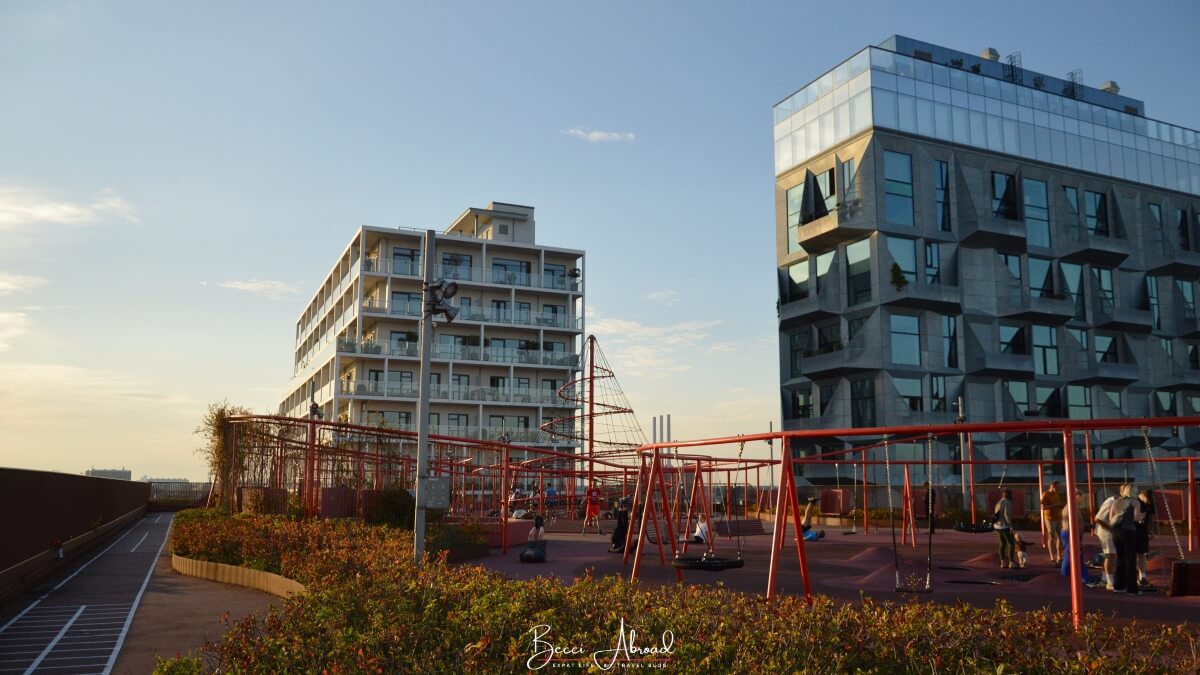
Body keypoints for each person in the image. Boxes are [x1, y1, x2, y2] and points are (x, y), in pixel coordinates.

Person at [1108, 483, 1144, 595]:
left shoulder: (1116, 501)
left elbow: (1110, 518)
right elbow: (1136, 517)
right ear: (1132, 491)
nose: (1137, 492)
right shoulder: (1135, 502)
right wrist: (1142, 517)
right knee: (1130, 559)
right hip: (1129, 531)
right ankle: (1132, 589)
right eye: (1136, 490)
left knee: (1120, 558)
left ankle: (1118, 586)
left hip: (1116, 532)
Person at [1092, 491, 1119, 590]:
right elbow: (1098, 518)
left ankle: (1104, 579)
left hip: (1110, 531)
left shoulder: (1120, 502)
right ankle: (1110, 581)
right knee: (1110, 555)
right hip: (1105, 532)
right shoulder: (1111, 502)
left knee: (1111, 555)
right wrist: (1111, 529)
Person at [1041, 480, 1066, 565]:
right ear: (1052, 486)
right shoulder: (1045, 494)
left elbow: (1058, 504)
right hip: (1049, 518)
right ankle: (1052, 557)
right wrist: (1054, 506)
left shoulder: (1056, 494)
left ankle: (1059, 556)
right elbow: (1043, 507)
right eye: (1057, 487)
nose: (1059, 489)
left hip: (1058, 517)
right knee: (1051, 536)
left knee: (1060, 536)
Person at [1136, 488, 1156, 589]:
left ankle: (1142, 577)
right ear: (1142, 495)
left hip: (1143, 531)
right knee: (1134, 554)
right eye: (1147, 499)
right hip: (1134, 531)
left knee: (1142, 554)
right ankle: (1133, 576)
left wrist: (1151, 530)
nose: (1148, 501)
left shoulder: (1149, 503)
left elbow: (1151, 517)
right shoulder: (1135, 502)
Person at [993, 489, 1016, 569]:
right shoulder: (1008, 503)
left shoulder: (998, 502)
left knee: (1002, 543)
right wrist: (1010, 526)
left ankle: (1002, 563)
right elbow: (1006, 515)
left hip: (997, 525)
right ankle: (1011, 563)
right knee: (1011, 544)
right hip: (1004, 526)